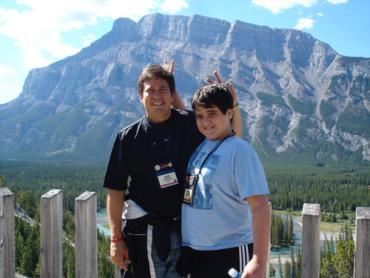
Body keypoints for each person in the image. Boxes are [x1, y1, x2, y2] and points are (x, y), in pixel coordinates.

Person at [103, 63, 242, 277]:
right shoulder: (128, 138)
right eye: (151, 90)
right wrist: (115, 240)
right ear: (140, 96)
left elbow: (231, 141)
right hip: (144, 232)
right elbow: (115, 191)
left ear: (172, 94)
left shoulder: (190, 124)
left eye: (163, 90)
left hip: (187, 231)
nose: (157, 96)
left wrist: (231, 104)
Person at [180, 83, 270, 278]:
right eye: (199, 115)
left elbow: (260, 206)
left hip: (229, 251)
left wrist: (259, 261)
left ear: (229, 114)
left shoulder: (240, 151)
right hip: (195, 252)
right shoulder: (203, 145)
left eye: (212, 113)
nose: (205, 122)